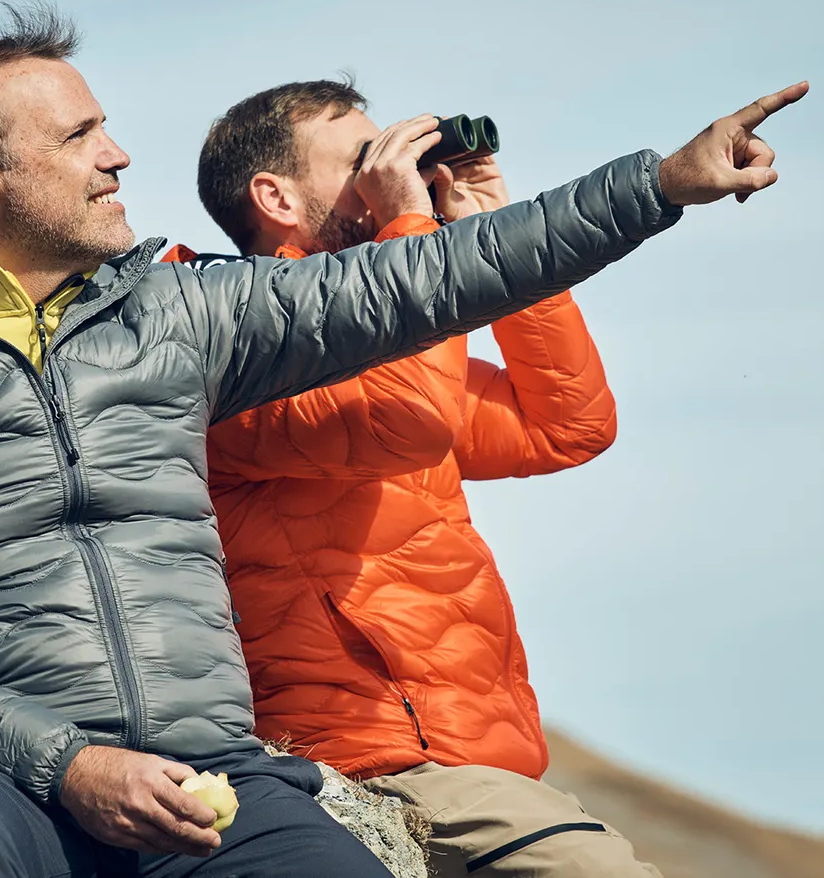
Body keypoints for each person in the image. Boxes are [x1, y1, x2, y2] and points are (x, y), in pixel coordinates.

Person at [0, 1, 806, 878]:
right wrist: (70, 765)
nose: (119, 154)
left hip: (212, 769)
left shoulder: (176, 316)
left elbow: (440, 284)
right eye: (80, 136)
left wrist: (659, 184)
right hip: (1, 782)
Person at [181, 79, 666, 876]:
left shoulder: (398, 359)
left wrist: (487, 235)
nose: (387, 174)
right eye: (362, 162)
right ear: (275, 196)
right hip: (377, 759)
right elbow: (402, 421)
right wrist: (417, 235)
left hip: (477, 760)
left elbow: (566, 426)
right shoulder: (234, 354)